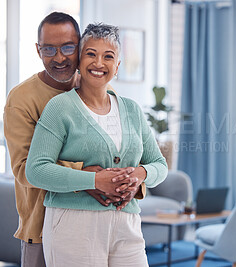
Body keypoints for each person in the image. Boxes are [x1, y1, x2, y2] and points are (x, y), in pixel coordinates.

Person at [4, 12, 145, 267]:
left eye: (68, 47)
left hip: (104, 222)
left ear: (80, 47)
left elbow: (125, 154)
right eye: (49, 49)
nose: (59, 57)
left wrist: (130, 181)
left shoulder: (104, 90)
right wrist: (90, 178)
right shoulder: (21, 100)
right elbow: (25, 169)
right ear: (38, 50)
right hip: (41, 225)